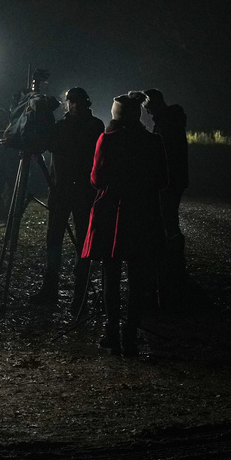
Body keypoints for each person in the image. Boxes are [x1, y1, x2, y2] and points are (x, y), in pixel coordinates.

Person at [82, 94, 169, 356]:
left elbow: (97, 179)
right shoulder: (153, 141)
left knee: (111, 273)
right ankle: (131, 332)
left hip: (113, 212)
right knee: (137, 276)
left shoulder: (107, 140)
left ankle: (111, 331)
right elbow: (163, 180)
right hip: (143, 212)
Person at [29, 88, 105, 311]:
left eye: (79, 101)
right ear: (68, 104)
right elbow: (43, 143)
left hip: (82, 191)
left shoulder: (93, 127)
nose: (76, 106)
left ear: (86, 103)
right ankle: (50, 288)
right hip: (61, 190)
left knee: (83, 243)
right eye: (72, 101)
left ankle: (79, 294)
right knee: (54, 240)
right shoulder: (62, 127)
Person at [143, 88, 189, 301]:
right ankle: (174, 265)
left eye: (147, 106)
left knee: (168, 221)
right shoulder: (171, 118)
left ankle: (174, 266)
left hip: (169, 180)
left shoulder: (166, 120)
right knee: (169, 220)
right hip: (175, 179)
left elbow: (163, 149)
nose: (147, 111)